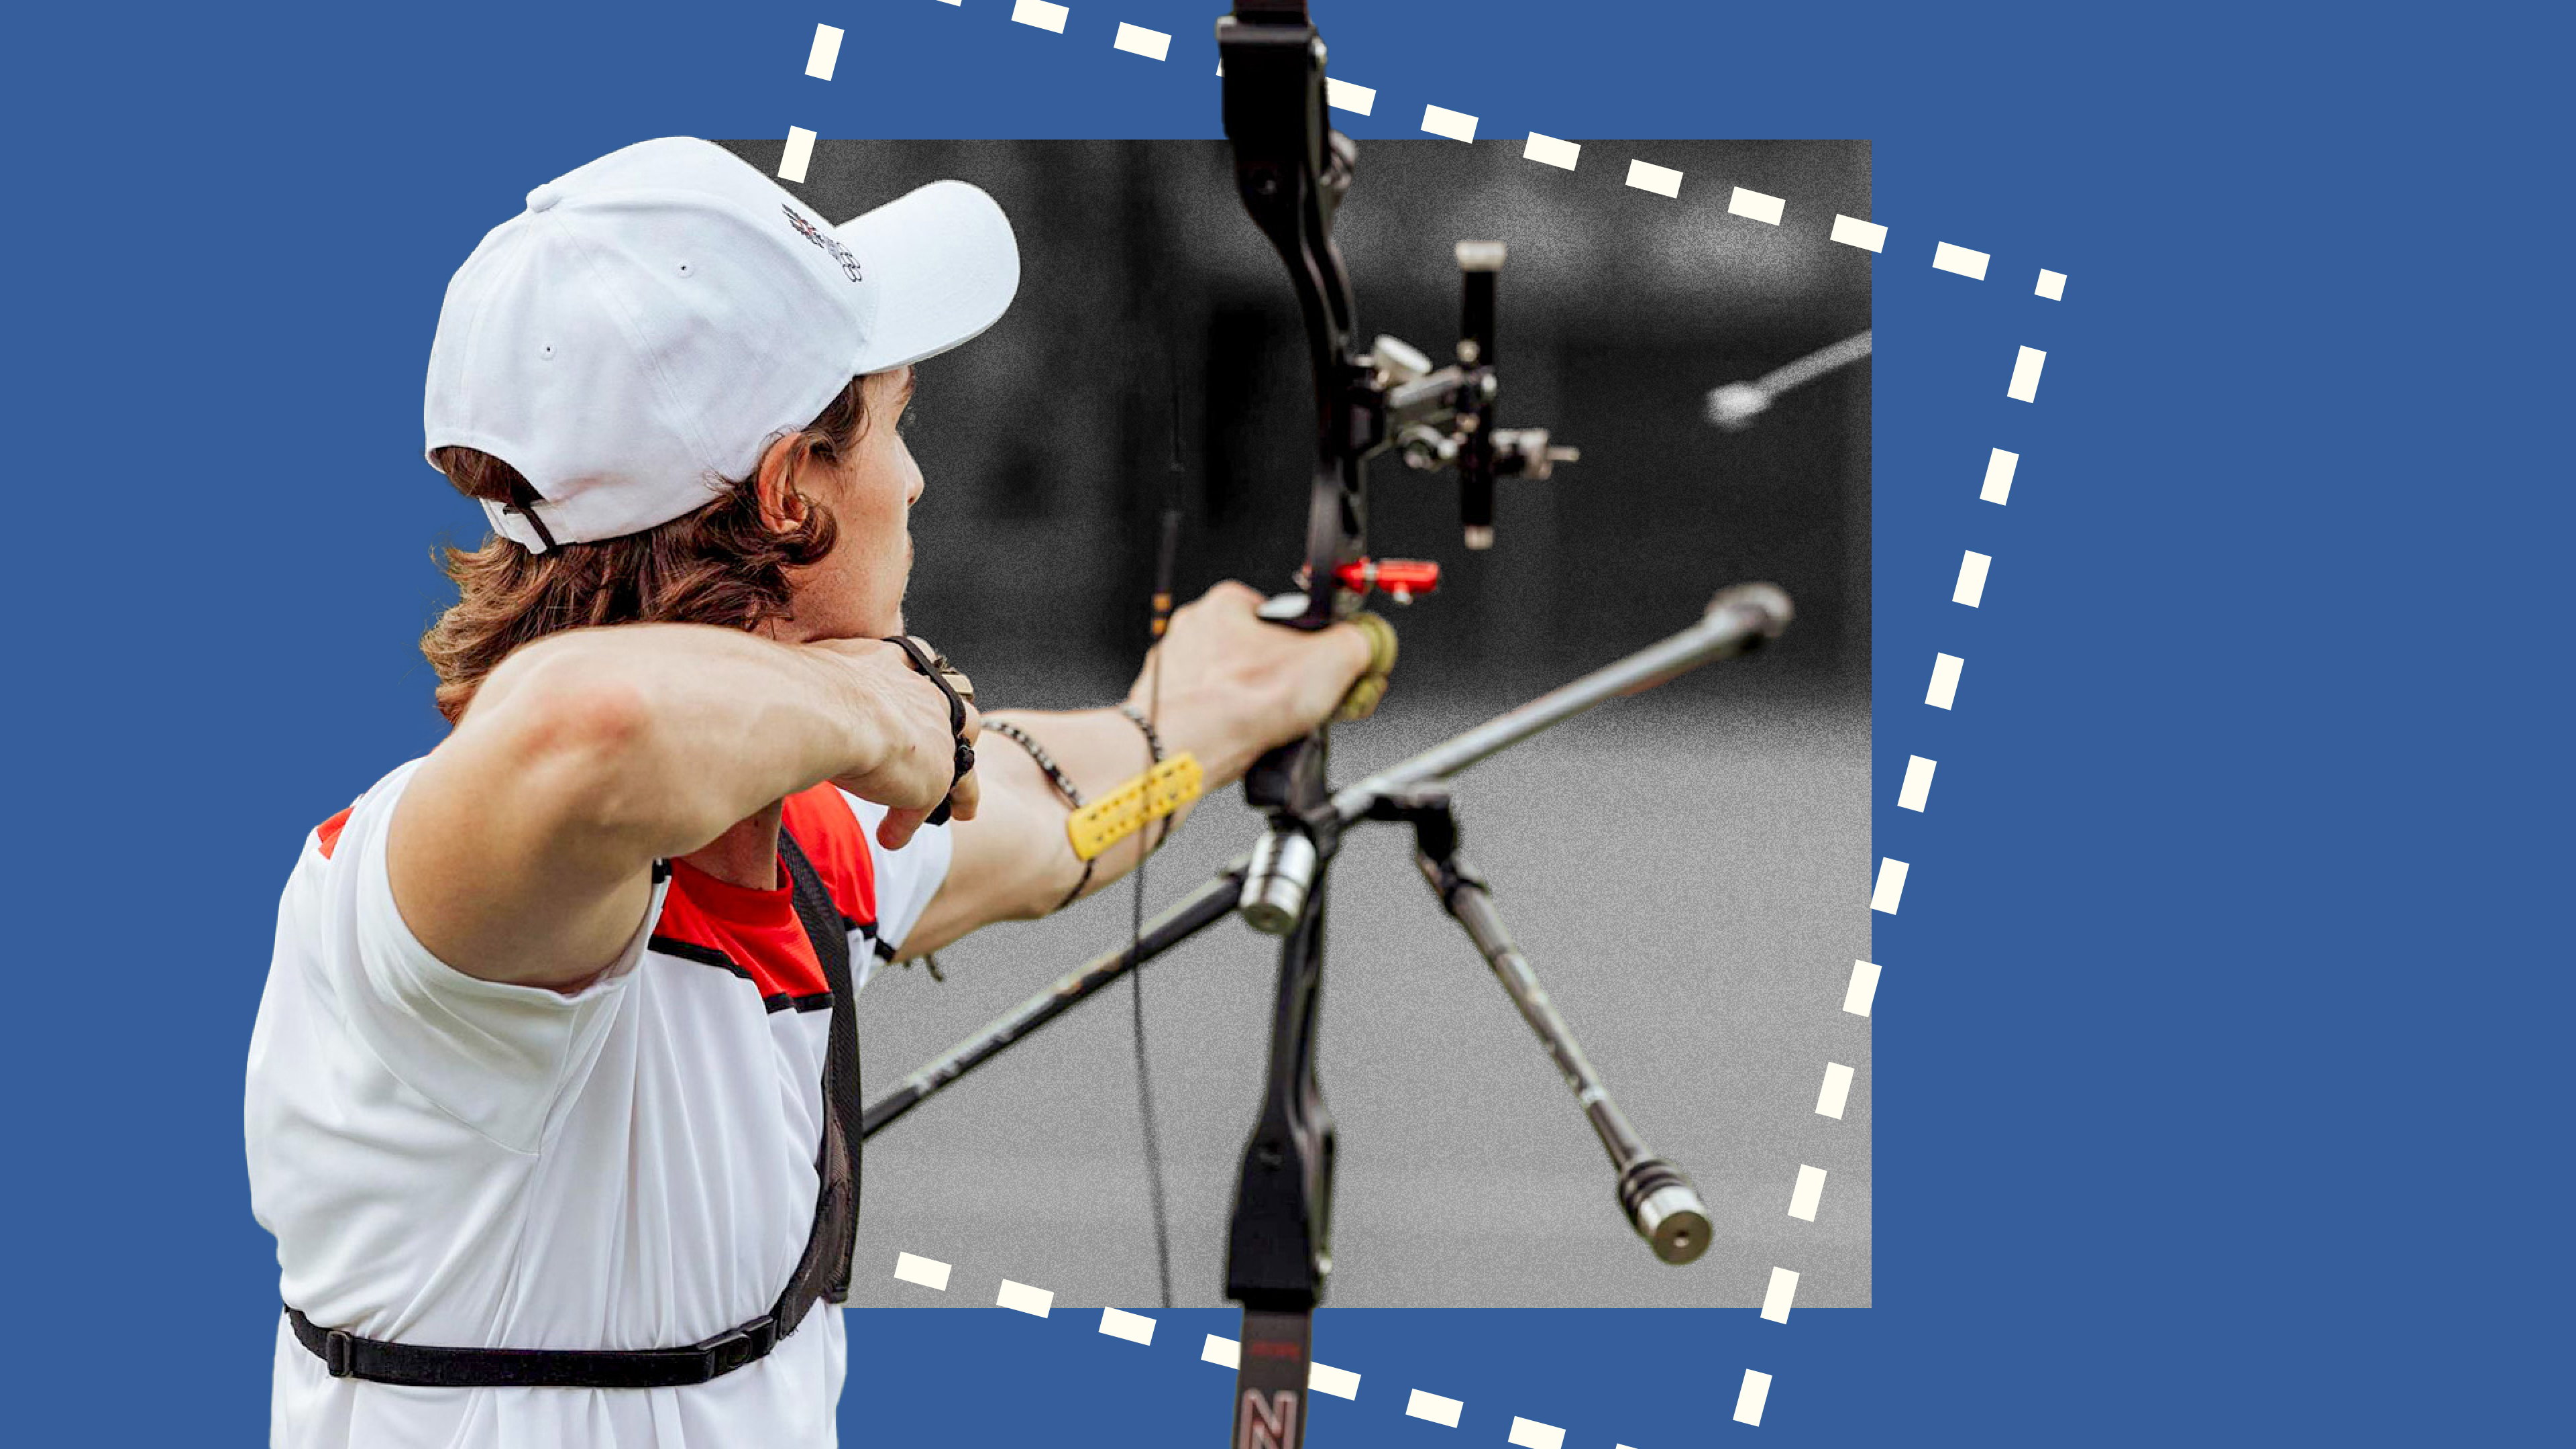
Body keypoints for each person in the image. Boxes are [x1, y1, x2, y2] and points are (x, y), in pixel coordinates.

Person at [244, 136, 1373, 1448]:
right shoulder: (429, 895)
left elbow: (1051, 822)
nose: (918, 480)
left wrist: (1219, 702)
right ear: (791, 494)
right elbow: (593, 728)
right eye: (896, 427)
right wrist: (869, 709)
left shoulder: (809, 841)